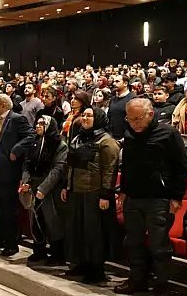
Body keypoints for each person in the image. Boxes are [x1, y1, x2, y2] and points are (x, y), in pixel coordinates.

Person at [115, 98, 187, 296]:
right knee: (133, 242)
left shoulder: (168, 134)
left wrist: (176, 196)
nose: (134, 123)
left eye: (138, 118)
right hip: (133, 197)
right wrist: (123, 190)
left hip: (160, 199)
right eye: (130, 119)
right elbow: (127, 166)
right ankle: (137, 280)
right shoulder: (130, 134)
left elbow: (182, 167)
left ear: (150, 114)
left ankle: (163, 284)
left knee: (159, 245)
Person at [62, 107, 119, 283]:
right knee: (77, 230)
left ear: (99, 119)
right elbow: (70, 164)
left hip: (94, 192)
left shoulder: (107, 142)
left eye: (90, 116)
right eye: (84, 115)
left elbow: (110, 170)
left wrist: (105, 195)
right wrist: (66, 186)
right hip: (76, 190)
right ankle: (80, 264)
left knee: (93, 233)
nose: (85, 118)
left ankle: (95, 269)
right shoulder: (79, 137)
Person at [0, 94, 35, 257]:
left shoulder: (17, 119)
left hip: (8, 171)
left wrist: (15, 151)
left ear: (2, 105)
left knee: (8, 209)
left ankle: (11, 243)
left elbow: (30, 136)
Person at [22, 115, 67, 266]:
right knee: (35, 220)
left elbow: (58, 169)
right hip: (34, 184)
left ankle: (57, 254)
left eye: (42, 124)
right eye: (37, 123)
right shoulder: (34, 142)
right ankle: (38, 250)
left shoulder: (60, 144)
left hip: (50, 187)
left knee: (52, 221)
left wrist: (43, 188)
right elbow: (27, 163)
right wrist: (26, 181)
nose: (38, 126)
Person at [108, 75, 135, 140]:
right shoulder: (113, 99)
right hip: (112, 137)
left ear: (125, 83)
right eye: (114, 81)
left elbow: (135, 121)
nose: (114, 83)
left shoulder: (133, 99)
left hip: (126, 139)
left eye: (117, 81)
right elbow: (109, 117)